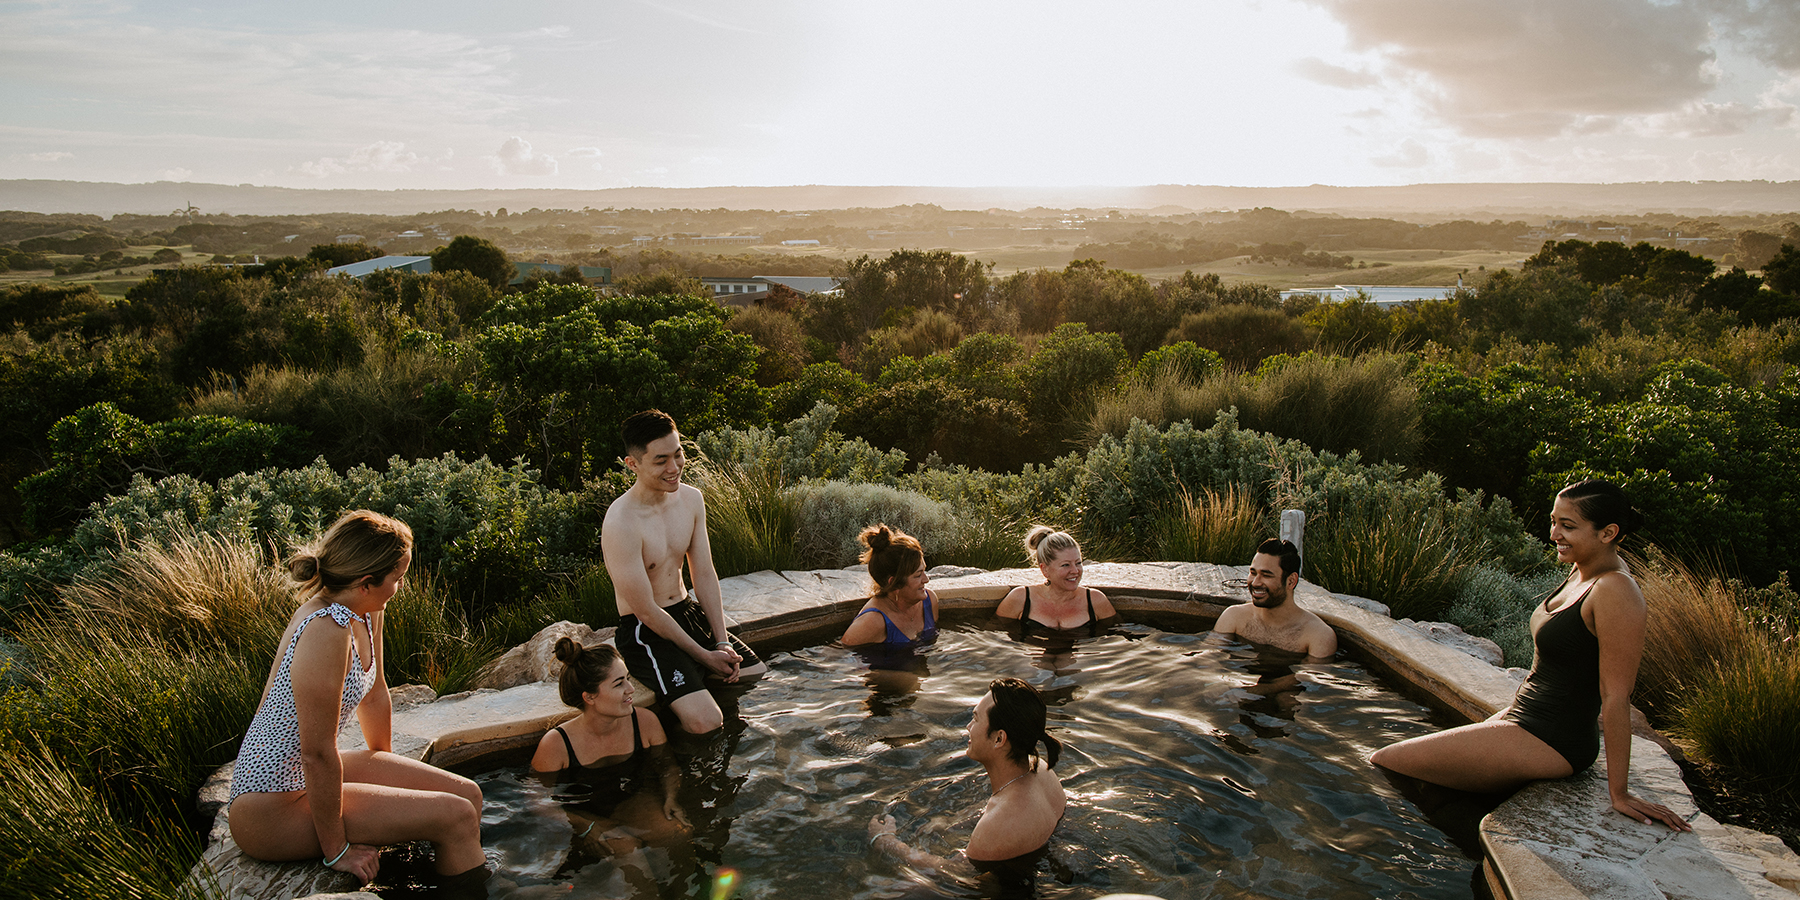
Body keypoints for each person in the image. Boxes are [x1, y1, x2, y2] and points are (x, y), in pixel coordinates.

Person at [1370, 480, 1691, 831]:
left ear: (1608, 533)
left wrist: (1620, 793)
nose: (1554, 534)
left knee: (1384, 760)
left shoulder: (1616, 589)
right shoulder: (1581, 569)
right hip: (1525, 718)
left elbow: (1616, 695)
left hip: (1552, 738)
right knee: (1434, 781)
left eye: (1568, 526)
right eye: (1554, 521)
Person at [228, 511, 484, 886]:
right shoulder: (325, 630)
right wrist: (338, 851)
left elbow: (376, 693)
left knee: (469, 795)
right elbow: (316, 753)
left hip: (304, 778)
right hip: (270, 807)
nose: (400, 587)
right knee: (456, 816)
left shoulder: (365, 611)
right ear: (366, 582)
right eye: (397, 579)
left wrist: (388, 775)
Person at [604, 410, 766, 735]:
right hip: (645, 632)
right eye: (661, 460)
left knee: (755, 673)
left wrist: (720, 642)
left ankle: (692, 689)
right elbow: (646, 611)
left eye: (678, 454)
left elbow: (703, 573)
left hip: (687, 612)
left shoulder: (691, 500)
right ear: (632, 464)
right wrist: (704, 658)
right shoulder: (621, 522)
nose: (674, 467)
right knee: (706, 722)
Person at [868, 678, 1066, 893]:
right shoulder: (1042, 770)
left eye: (975, 718)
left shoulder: (1000, 821)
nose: (968, 726)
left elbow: (956, 873)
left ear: (999, 739)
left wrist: (889, 843)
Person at [531, 639, 689, 861]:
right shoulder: (557, 744)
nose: (631, 689)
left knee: (677, 834)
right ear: (590, 697)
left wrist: (671, 797)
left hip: (632, 801)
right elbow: (537, 800)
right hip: (583, 815)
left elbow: (667, 766)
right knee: (628, 850)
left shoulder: (644, 722)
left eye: (628, 678)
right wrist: (585, 825)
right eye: (619, 684)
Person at [1211, 538, 1336, 659]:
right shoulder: (1234, 617)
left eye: (1266, 575)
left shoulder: (1317, 635)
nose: (1255, 583)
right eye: (1253, 573)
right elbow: (1208, 661)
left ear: (1291, 581)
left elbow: (1307, 679)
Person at [994, 527, 1117, 635]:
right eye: (1065, 565)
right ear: (1045, 569)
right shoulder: (1021, 598)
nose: (1075, 571)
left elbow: (1116, 637)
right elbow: (995, 638)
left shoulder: (1096, 600)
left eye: (1078, 563)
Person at [841, 524, 939, 648]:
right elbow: (842, 659)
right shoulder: (872, 621)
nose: (926, 579)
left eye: (924, 571)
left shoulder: (929, 601)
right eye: (918, 575)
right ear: (894, 583)